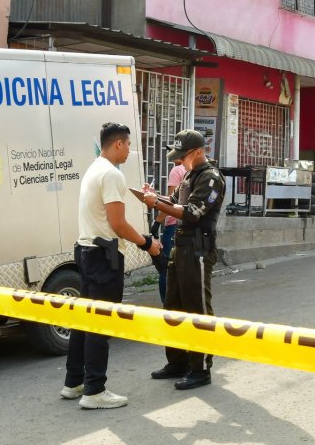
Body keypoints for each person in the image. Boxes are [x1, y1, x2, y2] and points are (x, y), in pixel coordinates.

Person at [62, 122, 162, 410]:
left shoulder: (94, 169)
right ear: (118, 144)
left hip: (87, 252)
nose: (130, 150)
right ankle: (94, 390)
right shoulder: (111, 174)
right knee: (100, 323)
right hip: (103, 257)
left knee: (85, 320)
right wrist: (147, 243)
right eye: (129, 144)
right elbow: (117, 223)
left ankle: (73, 382)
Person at [143, 129, 226, 390]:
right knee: (173, 307)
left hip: (198, 248)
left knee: (197, 308)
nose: (179, 161)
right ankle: (177, 362)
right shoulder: (190, 175)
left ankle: (200, 369)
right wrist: (153, 198)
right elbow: (174, 201)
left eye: (183, 155)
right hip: (181, 246)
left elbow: (192, 212)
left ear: (199, 152)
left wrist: (157, 204)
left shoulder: (211, 178)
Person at [155, 161, 187, 303]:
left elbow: (170, 203)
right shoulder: (195, 173)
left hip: (173, 226)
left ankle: (167, 305)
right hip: (188, 227)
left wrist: (156, 223)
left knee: (166, 268)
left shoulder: (176, 171)